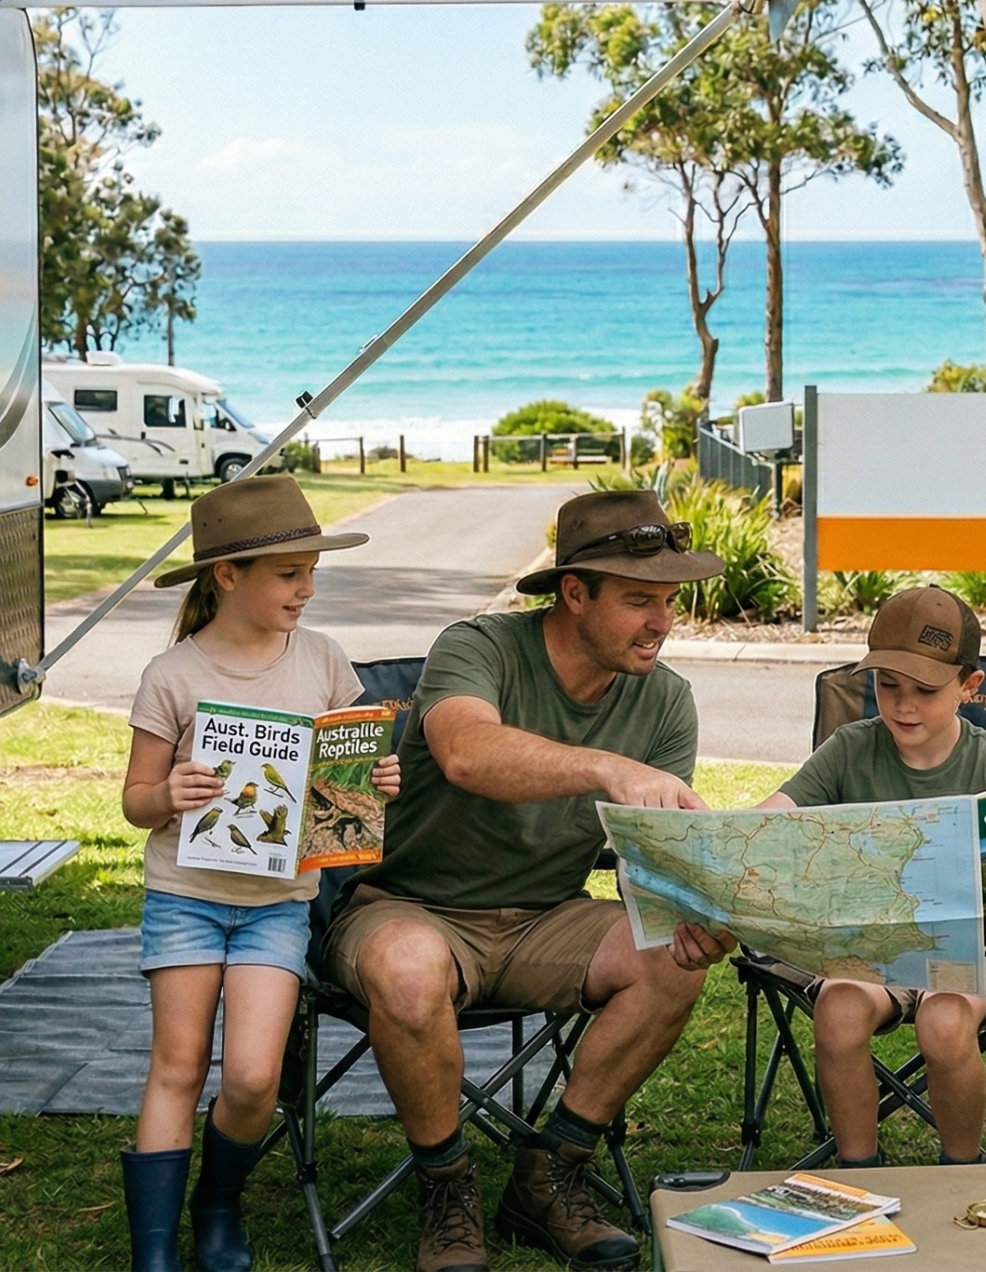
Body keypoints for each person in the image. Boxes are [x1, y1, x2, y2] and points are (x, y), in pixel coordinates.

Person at [323, 490, 735, 1272]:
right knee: (408, 973)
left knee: (672, 959)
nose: (662, 622)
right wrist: (606, 766)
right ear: (573, 592)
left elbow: (648, 855)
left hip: (549, 917)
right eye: (639, 600)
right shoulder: (478, 647)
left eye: (671, 600)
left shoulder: (665, 699)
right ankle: (446, 1187)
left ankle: (551, 1171)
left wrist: (705, 904)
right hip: (411, 907)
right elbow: (467, 754)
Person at [116, 476, 400, 1272]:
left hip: (279, 904)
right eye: (288, 573)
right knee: (176, 1065)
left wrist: (375, 783)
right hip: (185, 898)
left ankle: (217, 1204)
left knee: (249, 1076)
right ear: (227, 575)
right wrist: (165, 793)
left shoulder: (323, 660)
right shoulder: (172, 674)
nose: (306, 588)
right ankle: (152, 1252)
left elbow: (347, 771)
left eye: (311, 570)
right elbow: (136, 802)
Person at [754, 586, 986, 1166]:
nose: (904, 706)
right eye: (888, 686)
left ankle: (959, 1169)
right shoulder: (849, 750)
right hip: (872, 951)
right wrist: (724, 847)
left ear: (969, 686)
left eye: (925, 691)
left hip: (969, 957)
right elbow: (771, 821)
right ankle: (857, 1170)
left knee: (944, 1018)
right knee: (837, 1011)